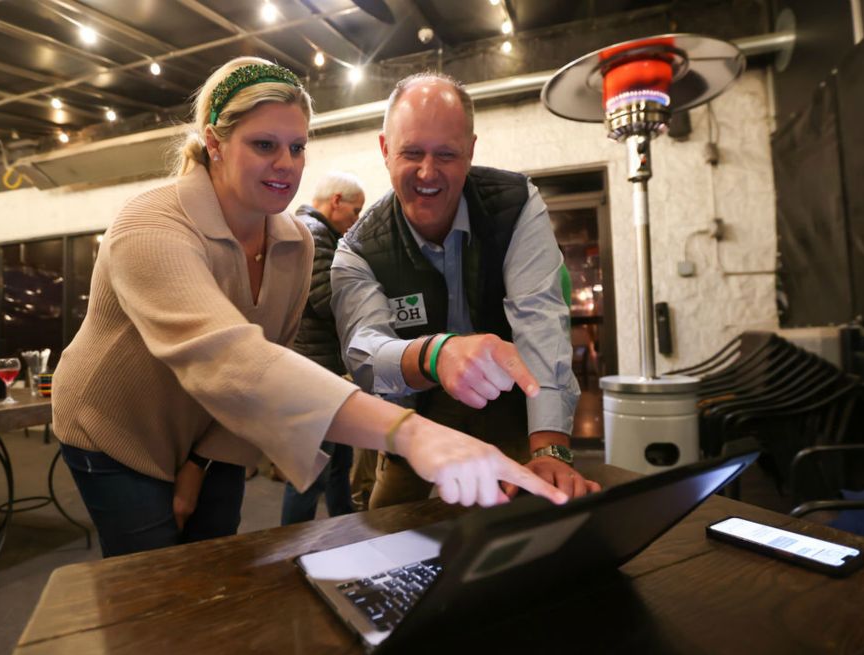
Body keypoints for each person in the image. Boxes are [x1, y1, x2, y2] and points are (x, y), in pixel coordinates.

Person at [51, 57, 568, 558]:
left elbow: (258, 367)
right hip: (118, 426)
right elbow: (231, 362)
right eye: (263, 144)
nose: (286, 164)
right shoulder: (149, 225)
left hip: (212, 424)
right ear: (214, 143)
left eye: (297, 147)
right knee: (153, 573)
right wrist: (409, 431)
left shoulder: (294, 243)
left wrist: (199, 462)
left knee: (217, 561)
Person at [331, 73, 601, 510]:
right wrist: (437, 355)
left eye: (447, 154)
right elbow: (364, 357)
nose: (427, 173)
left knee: (529, 525)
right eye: (412, 153)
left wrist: (550, 448)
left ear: (471, 151)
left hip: (509, 409)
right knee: (388, 529)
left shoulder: (515, 205)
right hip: (415, 421)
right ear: (385, 150)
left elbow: (540, 321)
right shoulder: (358, 249)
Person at [281, 172, 366, 525]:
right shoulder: (314, 234)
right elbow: (324, 297)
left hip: (322, 367)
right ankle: (293, 544)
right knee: (311, 469)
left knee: (336, 463)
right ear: (336, 202)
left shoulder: (318, 233)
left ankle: (343, 525)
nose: (356, 219)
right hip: (314, 369)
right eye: (355, 210)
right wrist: (366, 299)